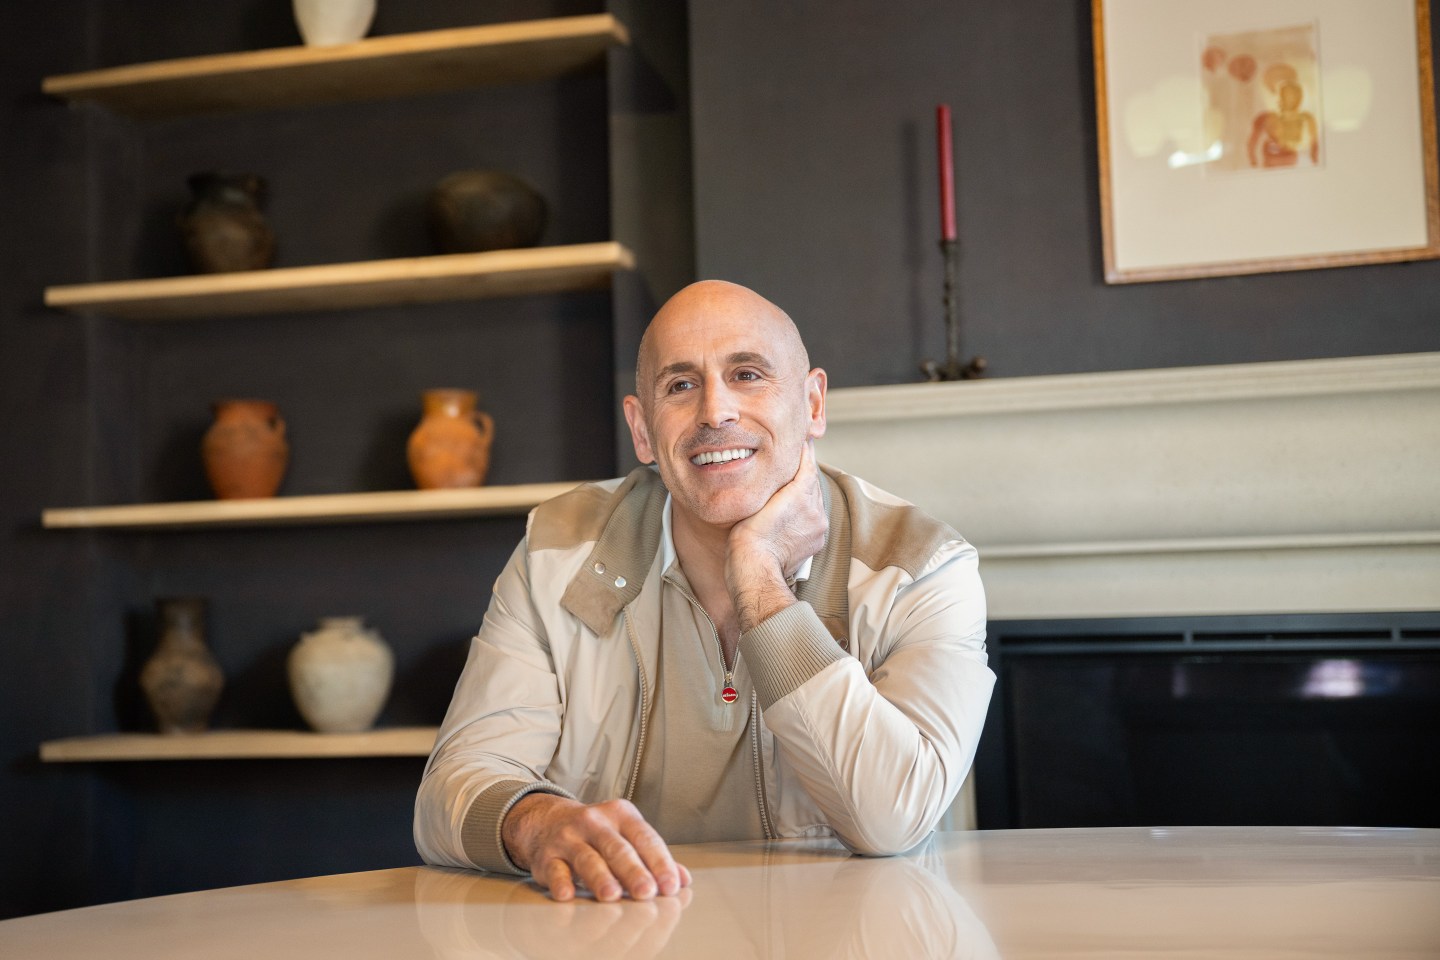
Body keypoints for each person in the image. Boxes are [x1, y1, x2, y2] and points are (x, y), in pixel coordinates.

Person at [414, 280, 993, 902]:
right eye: (681, 385)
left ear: (813, 404)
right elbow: (450, 792)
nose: (715, 412)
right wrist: (536, 823)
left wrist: (761, 582)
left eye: (747, 375)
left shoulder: (922, 567)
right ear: (642, 430)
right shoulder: (555, 551)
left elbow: (894, 819)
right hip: (621, 929)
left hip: (845, 930)